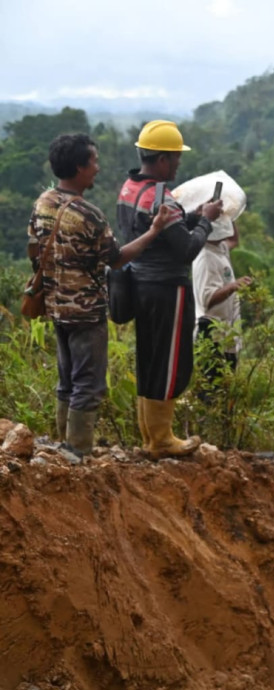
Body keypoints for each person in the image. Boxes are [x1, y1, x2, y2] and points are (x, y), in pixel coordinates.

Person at [27, 133, 167, 457]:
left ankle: (62, 446)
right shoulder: (89, 215)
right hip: (86, 312)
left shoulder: (43, 202)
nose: (98, 169)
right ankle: (76, 451)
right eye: (93, 162)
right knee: (88, 384)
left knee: (67, 381)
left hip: (55, 307)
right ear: (79, 167)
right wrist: (155, 230)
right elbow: (117, 259)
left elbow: (33, 248)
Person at [117, 120, 223, 459]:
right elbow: (188, 250)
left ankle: (150, 436)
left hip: (140, 285)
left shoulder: (130, 189)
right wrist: (206, 220)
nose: (178, 164)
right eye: (175, 158)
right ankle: (162, 440)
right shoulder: (162, 197)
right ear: (162, 159)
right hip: (167, 289)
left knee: (149, 357)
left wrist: (190, 215)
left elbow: (163, 231)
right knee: (169, 361)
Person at [193, 219, 252, 389]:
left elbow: (233, 240)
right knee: (213, 387)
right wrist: (233, 286)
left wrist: (232, 215)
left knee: (227, 384)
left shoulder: (218, 248)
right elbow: (208, 299)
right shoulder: (205, 257)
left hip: (225, 330)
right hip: (211, 330)